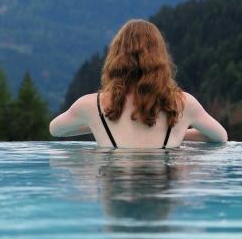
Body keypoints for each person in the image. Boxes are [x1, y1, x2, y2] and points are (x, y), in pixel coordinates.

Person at [49, 19, 228, 148]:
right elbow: (220, 137)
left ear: (116, 57)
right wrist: (179, 131)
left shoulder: (90, 106)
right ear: (160, 58)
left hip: (116, 195)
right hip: (162, 194)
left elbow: (56, 130)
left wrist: (97, 123)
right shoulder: (183, 103)